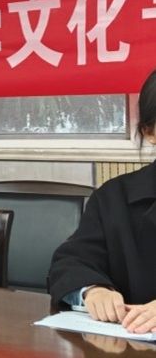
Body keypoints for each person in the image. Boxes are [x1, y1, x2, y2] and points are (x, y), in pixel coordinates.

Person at [48, 68, 156, 334]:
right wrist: (93, 290)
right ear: (150, 132)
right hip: (130, 345)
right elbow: (70, 262)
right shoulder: (114, 198)